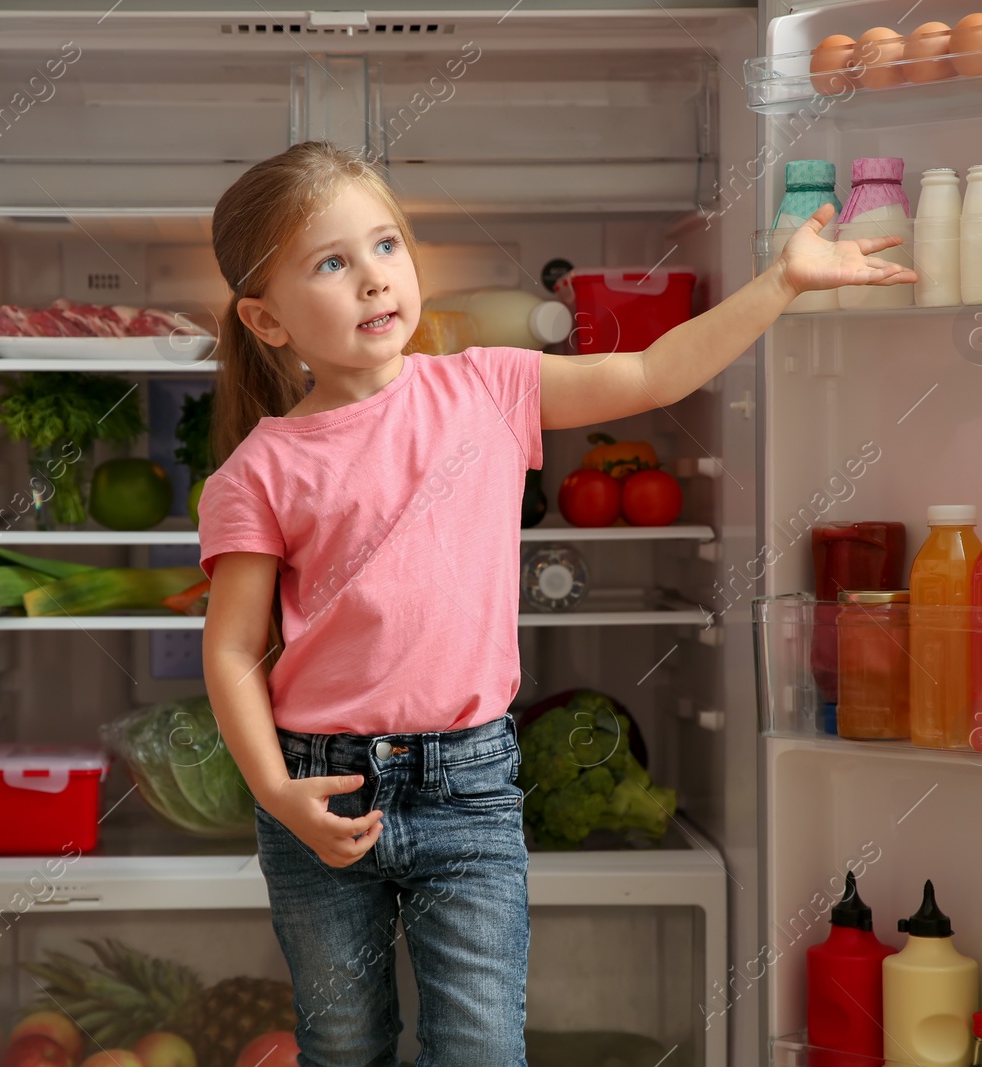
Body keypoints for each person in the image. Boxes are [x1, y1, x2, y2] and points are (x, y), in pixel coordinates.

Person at [196, 141, 914, 1067]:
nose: (375, 280)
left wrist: (782, 281)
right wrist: (275, 793)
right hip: (318, 787)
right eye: (332, 263)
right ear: (268, 318)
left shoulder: (487, 388)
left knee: (483, 1047)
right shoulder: (258, 469)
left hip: (470, 788)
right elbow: (230, 651)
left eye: (385, 246)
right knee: (342, 1043)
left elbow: (654, 373)